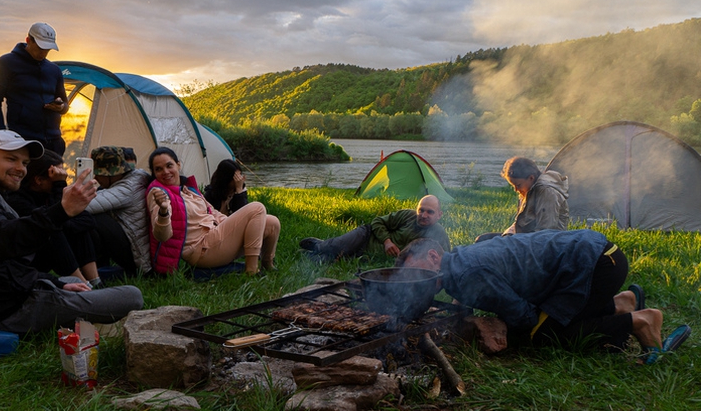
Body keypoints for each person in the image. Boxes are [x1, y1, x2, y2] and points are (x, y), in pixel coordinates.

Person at [0, 130, 143, 334]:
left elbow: (0, 265)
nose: (20, 169)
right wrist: (61, 210)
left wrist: (53, 282)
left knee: (69, 282)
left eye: (24, 163)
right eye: (11, 159)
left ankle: (70, 300)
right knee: (132, 296)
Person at [396, 232, 691, 363]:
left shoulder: (466, 272)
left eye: (414, 272)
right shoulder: (456, 263)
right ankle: (621, 302)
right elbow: (474, 291)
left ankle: (641, 321)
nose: (414, 281)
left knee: (545, 333)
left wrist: (508, 333)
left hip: (596, 265)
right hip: (602, 255)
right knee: (549, 317)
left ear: (434, 256)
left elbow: (521, 314)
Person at [146, 147, 281, 275]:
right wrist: (163, 210)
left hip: (215, 237)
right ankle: (251, 270)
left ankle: (267, 264)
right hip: (202, 250)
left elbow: (213, 212)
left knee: (272, 222)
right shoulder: (159, 193)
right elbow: (162, 236)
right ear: (154, 173)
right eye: (159, 169)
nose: (165, 172)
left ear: (178, 165)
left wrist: (235, 226)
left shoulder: (187, 190)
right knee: (257, 208)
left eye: (169, 166)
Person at [5, 149, 101, 287]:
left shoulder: (48, 192)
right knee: (51, 231)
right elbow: (49, 222)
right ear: (39, 180)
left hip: (50, 252)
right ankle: (83, 284)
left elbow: (88, 220)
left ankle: (95, 281)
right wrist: (59, 186)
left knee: (78, 229)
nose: (62, 179)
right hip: (27, 260)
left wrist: (65, 222)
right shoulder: (18, 200)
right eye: (56, 175)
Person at [0, 22, 69, 156]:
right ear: (28, 40)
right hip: (22, 140)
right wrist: (3, 136)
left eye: (48, 49)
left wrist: (60, 107)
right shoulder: (6, 63)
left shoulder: (54, 70)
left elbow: (65, 105)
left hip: (53, 142)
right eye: (40, 48)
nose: (43, 53)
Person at [299, 195, 451, 262]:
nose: (424, 215)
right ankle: (319, 245)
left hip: (366, 255)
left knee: (324, 260)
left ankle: (309, 254)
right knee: (336, 246)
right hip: (365, 237)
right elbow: (377, 222)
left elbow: (446, 259)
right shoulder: (407, 215)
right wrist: (387, 242)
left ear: (439, 215)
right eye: (421, 210)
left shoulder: (439, 234)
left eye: (429, 212)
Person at [86, 146, 152, 276]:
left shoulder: (127, 188)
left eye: (99, 174)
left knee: (93, 219)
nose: (96, 178)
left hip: (141, 261)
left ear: (111, 174)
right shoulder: (135, 177)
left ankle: (94, 270)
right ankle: (98, 267)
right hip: (137, 248)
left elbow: (85, 206)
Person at [475, 156, 569, 242]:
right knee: (483, 240)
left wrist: (514, 242)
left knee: (488, 244)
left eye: (518, 185)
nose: (516, 190)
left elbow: (545, 233)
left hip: (543, 244)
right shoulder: (529, 189)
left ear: (531, 178)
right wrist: (508, 235)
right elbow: (520, 223)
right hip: (525, 238)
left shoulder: (547, 192)